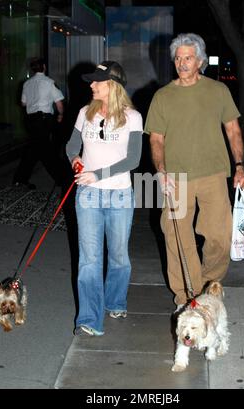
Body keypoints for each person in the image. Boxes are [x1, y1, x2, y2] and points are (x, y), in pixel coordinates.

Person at [144, 33, 244, 311]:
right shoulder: (163, 96)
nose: (182, 63)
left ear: (200, 60)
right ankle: (187, 297)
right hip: (175, 178)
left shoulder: (218, 91)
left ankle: (208, 285)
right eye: (178, 58)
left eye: (187, 57)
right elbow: (156, 139)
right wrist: (161, 171)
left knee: (220, 235)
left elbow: (233, 130)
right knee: (177, 236)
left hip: (214, 174)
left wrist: (239, 166)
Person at [66, 61, 143, 336]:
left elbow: (133, 159)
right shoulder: (85, 112)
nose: (92, 85)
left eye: (98, 81)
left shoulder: (132, 117)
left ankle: (116, 300)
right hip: (87, 195)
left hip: (120, 194)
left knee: (119, 255)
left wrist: (97, 174)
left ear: (113, 85)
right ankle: (88, 318)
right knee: (89, 259)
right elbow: (72, 145)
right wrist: (75, 160)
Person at [13, 57, 64, 189]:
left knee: (35, 149)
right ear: (44, 67)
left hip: (30, 120)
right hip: (43, 120)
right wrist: (61, 115)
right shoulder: (49, 82)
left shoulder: (27, 83)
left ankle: (20, 179)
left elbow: (23, 103)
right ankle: (61, 179)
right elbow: (59, 102)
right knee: (46, 150)